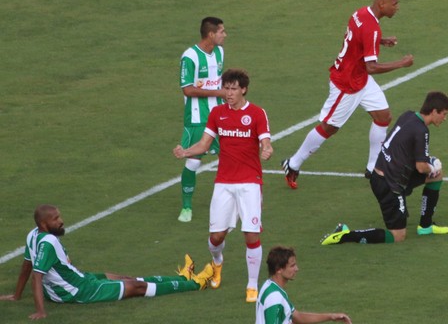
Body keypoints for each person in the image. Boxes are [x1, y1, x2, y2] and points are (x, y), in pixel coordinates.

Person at [281, 0, 414, 189]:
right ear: (382, 4)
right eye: (395, 4)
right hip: (348, 83)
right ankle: (293, 164)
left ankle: (373, 167)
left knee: (383, 116)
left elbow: (356, 39)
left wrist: (380, 40)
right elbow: (371, 67)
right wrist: (401, 63)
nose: (397, 8)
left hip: (358, 77)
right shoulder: (372, 28)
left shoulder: (360, 13)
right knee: (330, 127)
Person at [0, 204, 214, 320]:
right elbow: (35, 276)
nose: (61, 221)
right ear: (44, 223)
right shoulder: (48, 242)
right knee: (136, 287)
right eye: (55, 219)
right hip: (77, 291)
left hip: (79, 279)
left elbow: (26, 266)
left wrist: (17, 295)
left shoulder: (33, 235)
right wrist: (41, 311)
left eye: (59, 216)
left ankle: (182, 277)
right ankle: (196, 283)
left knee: (125, 278)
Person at [173, 68, 273, 303]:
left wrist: (267, 149)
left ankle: (251, 285)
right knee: (216, 237)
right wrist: (185, 151)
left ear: (244, 89)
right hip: (224, 183)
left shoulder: (257, 114)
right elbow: (205, 144)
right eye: (226, 88)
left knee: (251, 234)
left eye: (233, 89)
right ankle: (217, 263)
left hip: (250, 182)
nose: (228, 93)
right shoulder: (218, 113)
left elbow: (265, 141)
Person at [321, 91, 448, 245]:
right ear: (434, 111)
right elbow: (421, 167)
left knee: (436, 176)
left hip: (388, 173)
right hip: (389, 184)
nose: (445, 118)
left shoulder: (408, 116)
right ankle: (345, 235)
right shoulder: (421, 131)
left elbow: (403, 148)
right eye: (444, 114)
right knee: (397, 236)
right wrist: (432, 166)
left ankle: (426, 226)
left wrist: (430, 165)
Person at [177, 16, 227, 223]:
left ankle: (228, 201)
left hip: (220, 115)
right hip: (197, 118)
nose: (225, 35)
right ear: (210, 34)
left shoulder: (220, 52)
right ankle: (186, 207)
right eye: (221, 31)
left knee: (230, 155)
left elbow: (218, 82)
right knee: (193, 161)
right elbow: (188, 89)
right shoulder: (190, 57)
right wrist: (218, 92)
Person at [255, 246, 352, 324]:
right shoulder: (275, 298)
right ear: (279, 269)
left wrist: (331, 316)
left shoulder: (269, 285)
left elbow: (297, 317)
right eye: (292, 266)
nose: (297, 269)